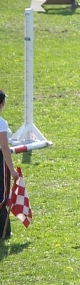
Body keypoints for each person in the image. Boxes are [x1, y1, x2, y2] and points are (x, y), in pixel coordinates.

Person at [0, 90, 20, 239]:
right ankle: (3, 231)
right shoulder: (1, 122)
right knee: (3, 195)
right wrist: (12, 170)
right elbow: (4, 147)